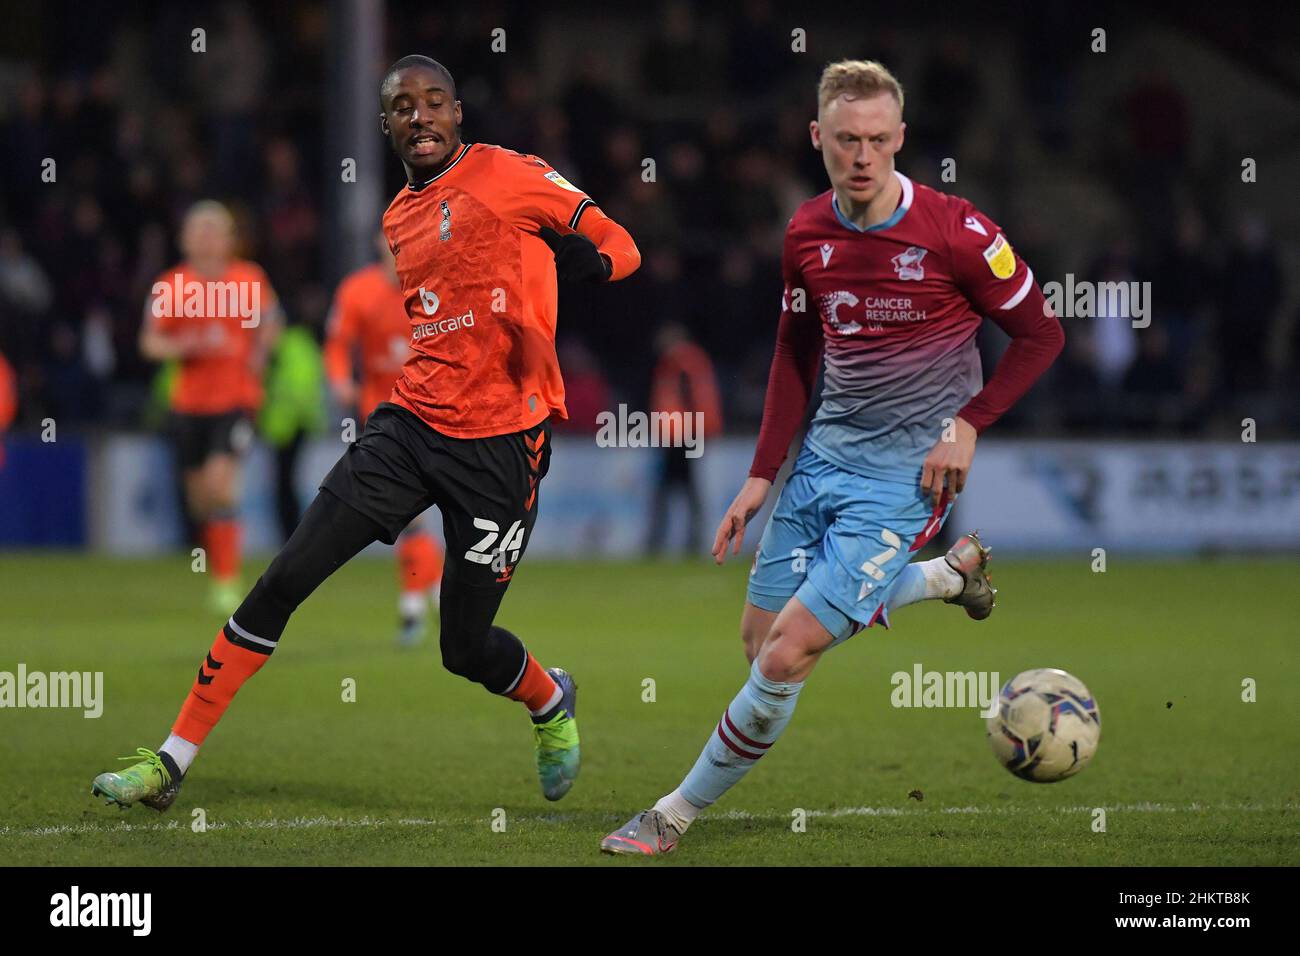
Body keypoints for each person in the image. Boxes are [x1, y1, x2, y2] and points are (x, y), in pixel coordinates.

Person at [93, 55, 640, 810]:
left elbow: (622, 243)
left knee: (465, 648)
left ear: (457, 114)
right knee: (285, 577)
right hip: (410, 426)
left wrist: (592, 264)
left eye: (434, 103)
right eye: (403, 107)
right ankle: (170, 760)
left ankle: (550, 700)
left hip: (505, 446)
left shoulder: (513, 173)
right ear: (386, 124)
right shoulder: (398, 220)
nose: (420, 117)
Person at [602, 60, 1063, 855]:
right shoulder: (806, 232)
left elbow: (1042, 334)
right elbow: (794, 349)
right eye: (847, 139)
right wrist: (760, 475)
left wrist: (970, 422)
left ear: (901, 139)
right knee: (755, 643)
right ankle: (948, 578)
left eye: (879, 140)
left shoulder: (957, 232)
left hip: (906, 477)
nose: (863, 155)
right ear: (818, 137)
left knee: (784, 656)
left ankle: (671, 815)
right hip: (820, 461)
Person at [139, 201, 283, 614]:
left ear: (228, 239)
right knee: (200, 498)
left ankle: (226, 582)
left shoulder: (250, 279)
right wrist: (180, 346)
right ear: (184, 238)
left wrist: (260, 351)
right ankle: (218, 564)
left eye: (213, 229)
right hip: (187, 405)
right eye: (198, 229)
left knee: (221, 485)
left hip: (237, 401)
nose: (205, 237)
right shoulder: (171, 286)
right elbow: (149, 342)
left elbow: (272, 320)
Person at [324, 232, 445, 646]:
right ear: (380, 244)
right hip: (382, 414)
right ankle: (422, 601)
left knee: (415, 511)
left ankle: (425, 599)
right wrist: (340, 381)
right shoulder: (358, 291)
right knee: (410, 513)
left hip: (435, 409)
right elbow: (337, 344)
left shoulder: (438, 285)